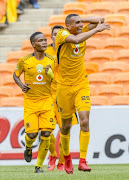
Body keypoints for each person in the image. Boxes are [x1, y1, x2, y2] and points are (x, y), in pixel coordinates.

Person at [55, 13, 111, 174]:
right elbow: (77, 40)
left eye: (81, 23)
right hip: (64, 87)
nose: (80, 26)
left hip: (81, 85)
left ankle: (82, 161)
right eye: (76, 24)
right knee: (65, 126)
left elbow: (102, 19)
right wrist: (96, 29)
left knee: (85, 121)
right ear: (68, 26)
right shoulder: (62, 34)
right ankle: (66, 158)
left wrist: (81, 21)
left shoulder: (82, 30)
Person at [13, 32, 56, 173]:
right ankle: (29, 147)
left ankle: (38, 166)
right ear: (33, 44)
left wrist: (51, 75)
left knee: (46, 134)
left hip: (46, 102)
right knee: (32, 135)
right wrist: (21, 85)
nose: (44, 42)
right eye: (40, 41)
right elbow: (15, 74)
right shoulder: (24, 60)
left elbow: (58, 80)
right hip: (31, 103)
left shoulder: (51, 59)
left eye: (45, 40)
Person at [45, 25, 79, 171]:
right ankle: (52, 155)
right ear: (51, 36)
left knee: (65, 129)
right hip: (47, 97)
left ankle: (61, 161)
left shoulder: (68, 48)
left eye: (59, 34)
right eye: (54, 34)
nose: (56, 36)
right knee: (46, 129)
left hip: (64, 95)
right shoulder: (44, 52)